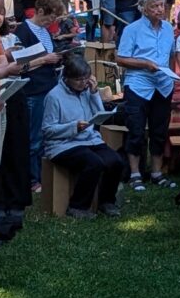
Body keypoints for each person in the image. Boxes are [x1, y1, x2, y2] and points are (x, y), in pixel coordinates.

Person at [38, 56, 124, 217]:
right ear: (67, 78)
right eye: (78, 80)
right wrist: (73, 127)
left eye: (86, 78)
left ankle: (107, 201)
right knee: (94, 163)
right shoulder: (54, 96)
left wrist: (94, 94)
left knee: (115, 160)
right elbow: (48, 130)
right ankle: (77, 206)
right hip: (62, 144)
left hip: (89, 139)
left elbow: (100, 116)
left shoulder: (87, 91)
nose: (83, 83)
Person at [114, 0, 178, 188]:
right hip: (139, 84)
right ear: (144, 9)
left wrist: (172, 76)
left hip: (163, 85)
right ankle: (135, 173)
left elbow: (172, 55)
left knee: (160, 129)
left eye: (161, 5)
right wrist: (144, 64)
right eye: (155, 6)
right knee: (136, 129)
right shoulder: (132, 29)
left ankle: (157, 172)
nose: (160, 9)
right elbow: (120, 58)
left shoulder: (168, 28)